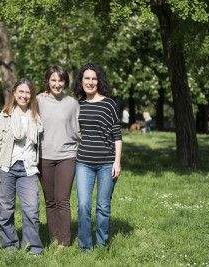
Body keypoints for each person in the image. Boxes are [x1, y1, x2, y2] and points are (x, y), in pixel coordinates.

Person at [0, 78, 44, 256]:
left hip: (29, 169)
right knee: (5, 210)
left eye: (28, 92)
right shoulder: (5, 116)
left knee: (31, 210)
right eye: (21, 92)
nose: (24, 95)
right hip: (6, 167)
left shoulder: (36, 115)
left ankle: (32, 248)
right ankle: (9, 245)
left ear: (31, 94)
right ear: (15, 93)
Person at [71, 63, 122, 252]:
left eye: (94, 78)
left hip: (107, 163)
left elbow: (117, 135)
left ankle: (101, 245)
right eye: (87, 78)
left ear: (99, 81)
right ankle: (85, 246)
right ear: (81, 81)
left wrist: (117, 162)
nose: (90, 82)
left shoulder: (109, 103)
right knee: (83, 205)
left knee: (102, 206)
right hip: (83, 162)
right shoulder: (78, 104)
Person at [37, 65, 80, 247]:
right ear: (47, 81)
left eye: (60, 80)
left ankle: (64, 242)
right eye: (53, 80)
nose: (57, 84)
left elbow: (79, 131)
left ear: (65, 82)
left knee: (62, 199)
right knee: (50, 201)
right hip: (43, 156)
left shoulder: (72, 103)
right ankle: (54, 239)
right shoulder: (38, 100)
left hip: (67, 156)